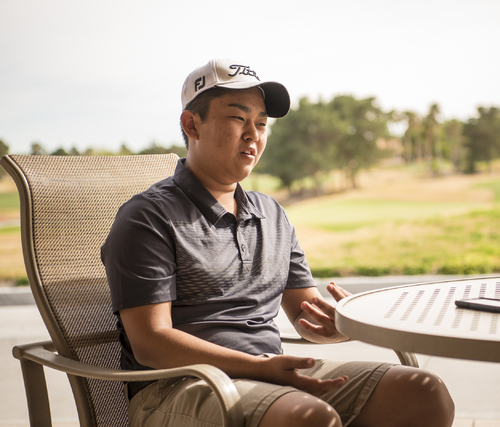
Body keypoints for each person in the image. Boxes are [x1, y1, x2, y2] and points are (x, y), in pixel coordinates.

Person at [101, 58, 455, 427]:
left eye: (261, 123)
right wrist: (261, 367)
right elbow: (151, 342)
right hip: (178, 388)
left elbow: (305, 315)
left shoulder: (271, 214)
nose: (253, 134)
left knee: (422, 392)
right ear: (192, 125)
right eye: (238, 118)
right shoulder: (148, 216)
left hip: (270, 377)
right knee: (307, 417)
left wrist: (338, 324)